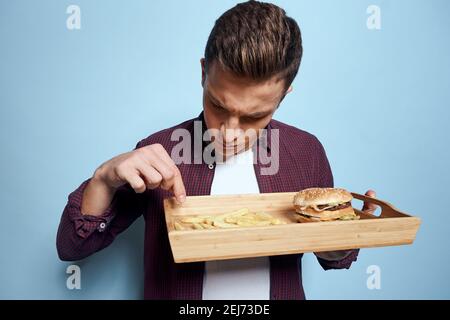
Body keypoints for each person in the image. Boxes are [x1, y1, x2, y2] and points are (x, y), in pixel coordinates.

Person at [57, 0, 377, 299]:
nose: (229, 132)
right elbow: (72, 248)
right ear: (203, 73)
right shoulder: (158, 151)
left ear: (283, 96)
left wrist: (339, 238)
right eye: (218, 105)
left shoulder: (306, 151)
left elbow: (336, 258)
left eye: (254, 116)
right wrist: (103, 179)